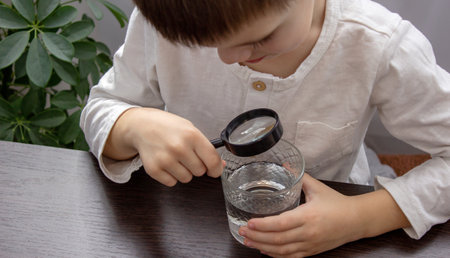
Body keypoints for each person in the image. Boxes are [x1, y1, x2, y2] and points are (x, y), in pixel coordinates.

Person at [80, 0, 450, 256]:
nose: (228, 57)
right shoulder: (166, 23)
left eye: (260, 39)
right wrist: (132, 125)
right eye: (207, 44)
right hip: (194, 227)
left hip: (332, 229)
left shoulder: (378, 44)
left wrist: (361, 218)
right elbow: (101, 107)